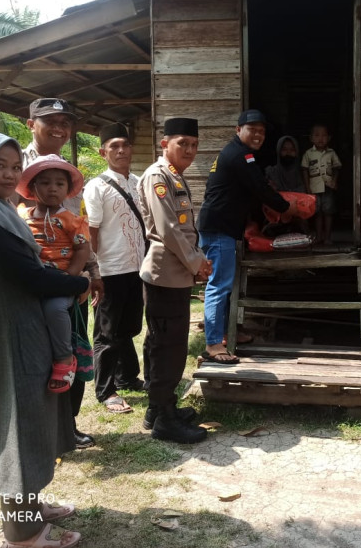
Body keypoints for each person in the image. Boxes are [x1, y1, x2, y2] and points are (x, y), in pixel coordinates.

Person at [0, 132, 86, 548]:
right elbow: (29, 275)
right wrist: (77, 281)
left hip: (21, 329)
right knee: (16, 429)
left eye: (13, 166)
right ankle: (24, 535)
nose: (9, 174)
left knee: (32, 423)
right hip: (3, 340)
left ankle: (31, 507)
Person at [24, 97, 100, 449]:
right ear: (31, 124)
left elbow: (81, 230)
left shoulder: (68, 173)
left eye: (65, 122)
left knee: (73, 346)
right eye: (49, 120)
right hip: (32, 283)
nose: (58, 128)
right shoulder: (14, 166)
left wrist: (91, 270)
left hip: (72, 281)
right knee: (39, 354)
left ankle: (67, 425)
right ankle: (42, 429)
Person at [197, 109, 297, 362]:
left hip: (224, 227)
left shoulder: (237, 154)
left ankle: (230, 331)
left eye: (262, 131)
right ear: (238, 130)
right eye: (252, 129)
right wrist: (287, 208)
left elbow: (250, 190)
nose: (258, 135)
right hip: (220, 228)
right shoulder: (241, 155)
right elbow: (260, 189)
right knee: (218, 285)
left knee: (228, 284)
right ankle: (213, 345)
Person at [137, 117, 212, 444]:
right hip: (166, 273)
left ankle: (159, 409)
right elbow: (168, 229)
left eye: (194, 145)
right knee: (169, 347)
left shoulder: (173, 175)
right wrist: (197, 262)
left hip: (174, 272)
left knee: (164, 342)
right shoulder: (158, 176)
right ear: (164, 144)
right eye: (183, 143)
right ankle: (164, 418)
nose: (190, 150)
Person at [83, 122, 147, 413]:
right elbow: (91, 231)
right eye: (114, 147)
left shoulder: (139, 181)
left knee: (130, 327)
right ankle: (105, 390)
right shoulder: (96, 187)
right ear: (103, 152)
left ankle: (127, 378)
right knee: (106, 333)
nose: (121, 150)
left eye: (125, 145)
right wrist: (92, 271)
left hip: (137, 267)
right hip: (109, 269)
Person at [16, 155, 90, 393]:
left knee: (55, 308)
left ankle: (65, 358)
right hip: (33, 281)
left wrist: (69, 278)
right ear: (32, 188)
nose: (52, 188)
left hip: (61, 282)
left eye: (60, 184)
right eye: (45, 183)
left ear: (68, 190)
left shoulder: (72, 220)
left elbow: (82, 249)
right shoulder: (22, 217)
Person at [301, 123, 341, 244]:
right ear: (311, 138)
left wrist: (334, 181)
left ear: (329, 138)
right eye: (317, 135)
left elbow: (337, 168)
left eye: (324, 135)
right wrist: (307, 188)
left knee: (328, 212)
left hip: (328, 187)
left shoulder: (331, 153)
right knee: (317, 213)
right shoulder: (308, 154)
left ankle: (327, 237)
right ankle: (319, 237)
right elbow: (304, 170)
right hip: (314, 188)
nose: (320, 138)